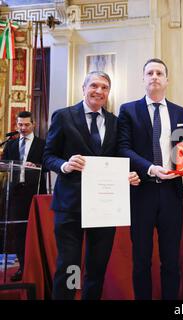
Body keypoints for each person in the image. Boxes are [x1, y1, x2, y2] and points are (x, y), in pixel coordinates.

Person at [43, 71, 140, 300]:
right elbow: (48, 156)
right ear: (83, 87)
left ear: (109, 92)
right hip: (71, 206)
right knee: (70, 266)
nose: (99, 91)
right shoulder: (64, 116)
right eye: (94, 85)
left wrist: (127, 175)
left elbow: (117, 158)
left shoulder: (115, 122)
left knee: (97, 268)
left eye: (105, 87)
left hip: (104, 207)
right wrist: (65, 165)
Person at [117, 58, 183, 300]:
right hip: (141, 193)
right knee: (141, 260)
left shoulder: (180, 111)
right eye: (150, 73)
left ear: (167, 80)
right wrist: (150, 168)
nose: (155, 76)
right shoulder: (128, 110)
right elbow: (123, 148)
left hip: (171, 193)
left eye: (159, 73)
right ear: (143, 78)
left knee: (171, 259)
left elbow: (182, 149)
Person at [1, 111, 47, 282]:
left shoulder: (43, 144)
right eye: (20, 124)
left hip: (35, 193)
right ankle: (23, 267)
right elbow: (4, 164)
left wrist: (35, 165)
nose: (23, 128)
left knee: (35, 231)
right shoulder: (11, 145)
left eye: (26, 124)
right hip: (15, 194)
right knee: (19, 232)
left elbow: (48, 165)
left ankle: (38, 267)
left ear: (33, 124)